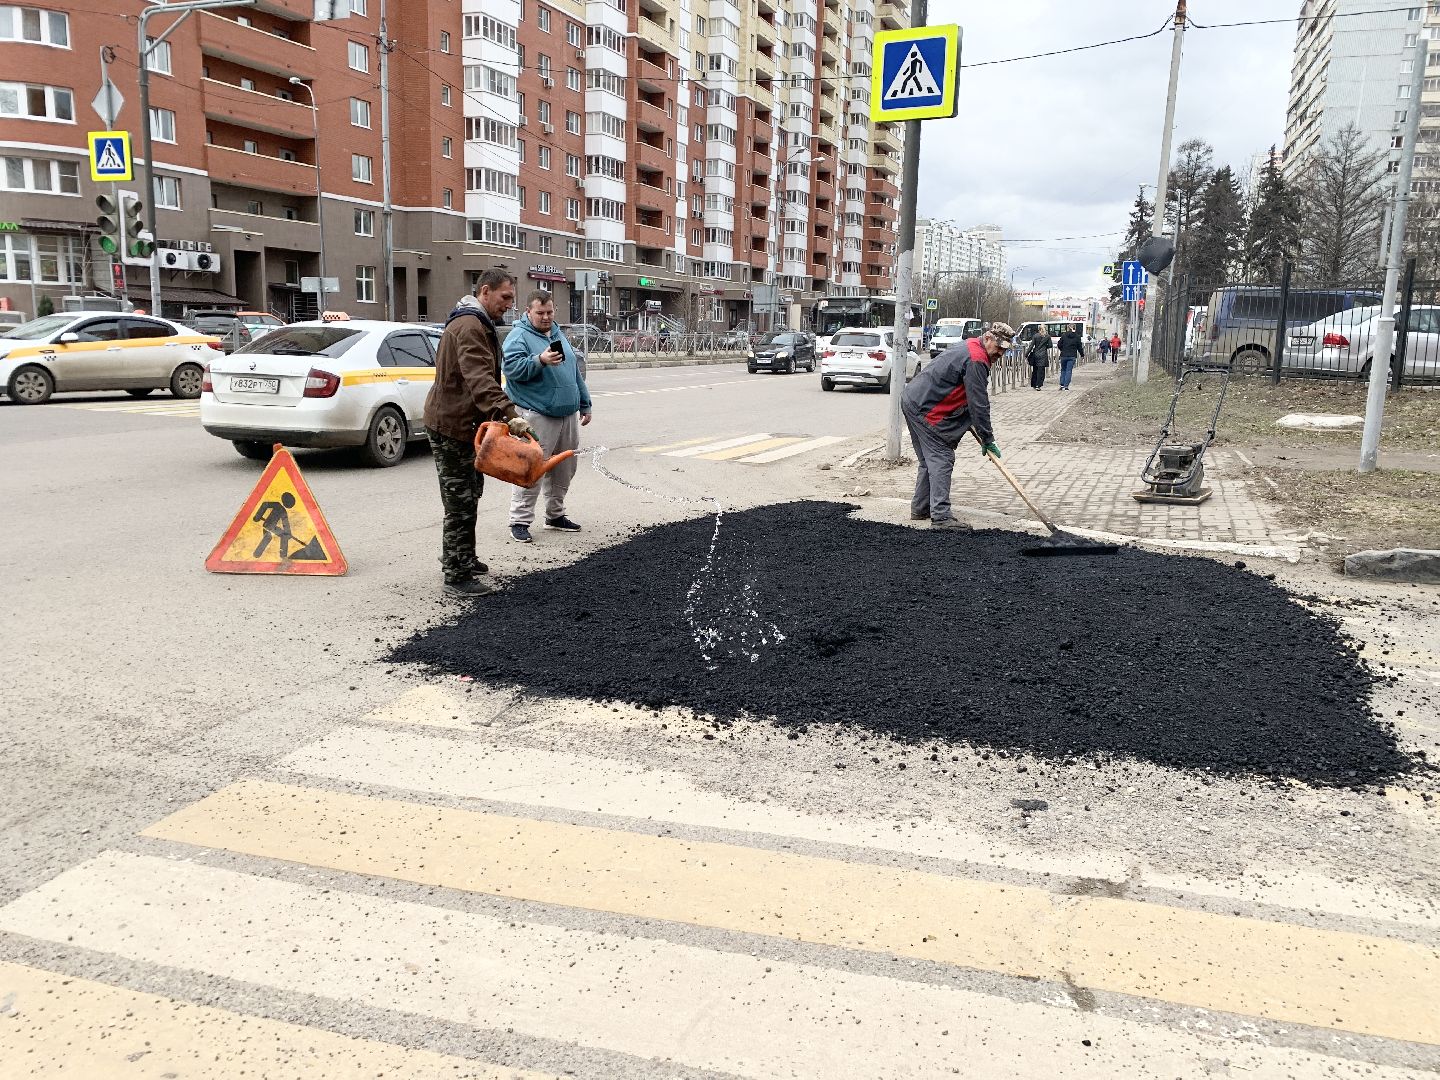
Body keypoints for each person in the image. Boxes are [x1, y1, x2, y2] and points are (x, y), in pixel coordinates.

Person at [424, 269, 532, 598]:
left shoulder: (473, 322)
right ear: (485, 291)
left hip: (463, 424)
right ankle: (456, 575)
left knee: (471, 493)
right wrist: (510, 415)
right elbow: (480, 379)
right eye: (505, 297)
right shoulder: (470, 326)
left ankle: (464, 556)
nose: (509, 305)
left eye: (512, 298)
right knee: (460, 502)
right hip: (451, 425)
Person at [901, 321, 1013, 530]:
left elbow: (966, 395)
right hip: (926, 408)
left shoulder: (971, 345)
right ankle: (941, 516)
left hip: (912, 398)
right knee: (942, 457)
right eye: (998, 348)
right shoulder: (977, 359)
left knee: (928, 460)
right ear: (987, 338)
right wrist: (987, 438)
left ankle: (920, 508)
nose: (1000, 354)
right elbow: (979, 403)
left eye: (1004, 350)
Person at [501, 290, 592, 544]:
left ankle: (555, 515)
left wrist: (585, 403)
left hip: (567, 414)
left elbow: (572, 371)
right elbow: (511, 369)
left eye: (550, 312)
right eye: (540, 313)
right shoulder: (518, 336)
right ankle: (519, 521)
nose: (545, 317)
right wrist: (539, 360)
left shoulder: (556, 333)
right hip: (537, 413)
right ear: (528, 312)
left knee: (564, 469)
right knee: (531, 468)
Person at [1056, 323, 1084, 390]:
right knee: (1069, 371)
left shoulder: (1064, 335)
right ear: (1075, 328)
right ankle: (1066, 386)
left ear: (1068, 328)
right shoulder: (1077, 336)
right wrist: (1082, 354)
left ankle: (1062, 384)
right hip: (1072, 356)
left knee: (1063, 370)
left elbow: (1059, 344)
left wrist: (1062, 349)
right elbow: (1079, 347)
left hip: (1064, 355)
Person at [1026, 325, 1052, 390]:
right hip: (1043, 355)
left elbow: (1031, 346)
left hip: (1036, 354)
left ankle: (1034, 384)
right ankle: (1038, 385)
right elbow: (1050, 345)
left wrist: (1026, 354)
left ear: (1038, 329)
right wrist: (1045, 346)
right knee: (1041, 371)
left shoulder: (1035, 336)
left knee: (1035, 370)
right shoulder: (1047, 336)